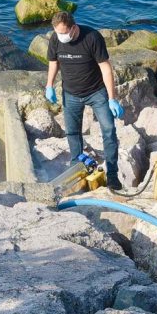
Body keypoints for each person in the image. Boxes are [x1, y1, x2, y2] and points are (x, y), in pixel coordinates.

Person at [44, 11, 124, 191]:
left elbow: (106, 68)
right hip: (70, 94)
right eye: (58, 33)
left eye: (64, 32)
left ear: (73, 27)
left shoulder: (92, 38)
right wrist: (49, 85)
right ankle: (77, 169)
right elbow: (53, 63)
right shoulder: (55, 39)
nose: (61, 36)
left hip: (96, 92)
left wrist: (112, 98)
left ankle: (112, 174)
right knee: (72, 133)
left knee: (109, 130)